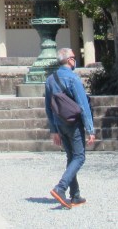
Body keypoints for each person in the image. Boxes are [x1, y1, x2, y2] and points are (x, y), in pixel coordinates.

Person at [45, 47, 95, 209]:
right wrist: (90, 129)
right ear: (69, 60)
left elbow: (48, 107)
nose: (75, 60)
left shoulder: (50, 79)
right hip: (74, 123)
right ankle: (60, 188)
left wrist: (53, 130)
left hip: (60, 123)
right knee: (79, 157)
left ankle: (75, 195)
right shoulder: (73, 78)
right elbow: (83, 105)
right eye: (74, 57)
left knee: (70, 157)